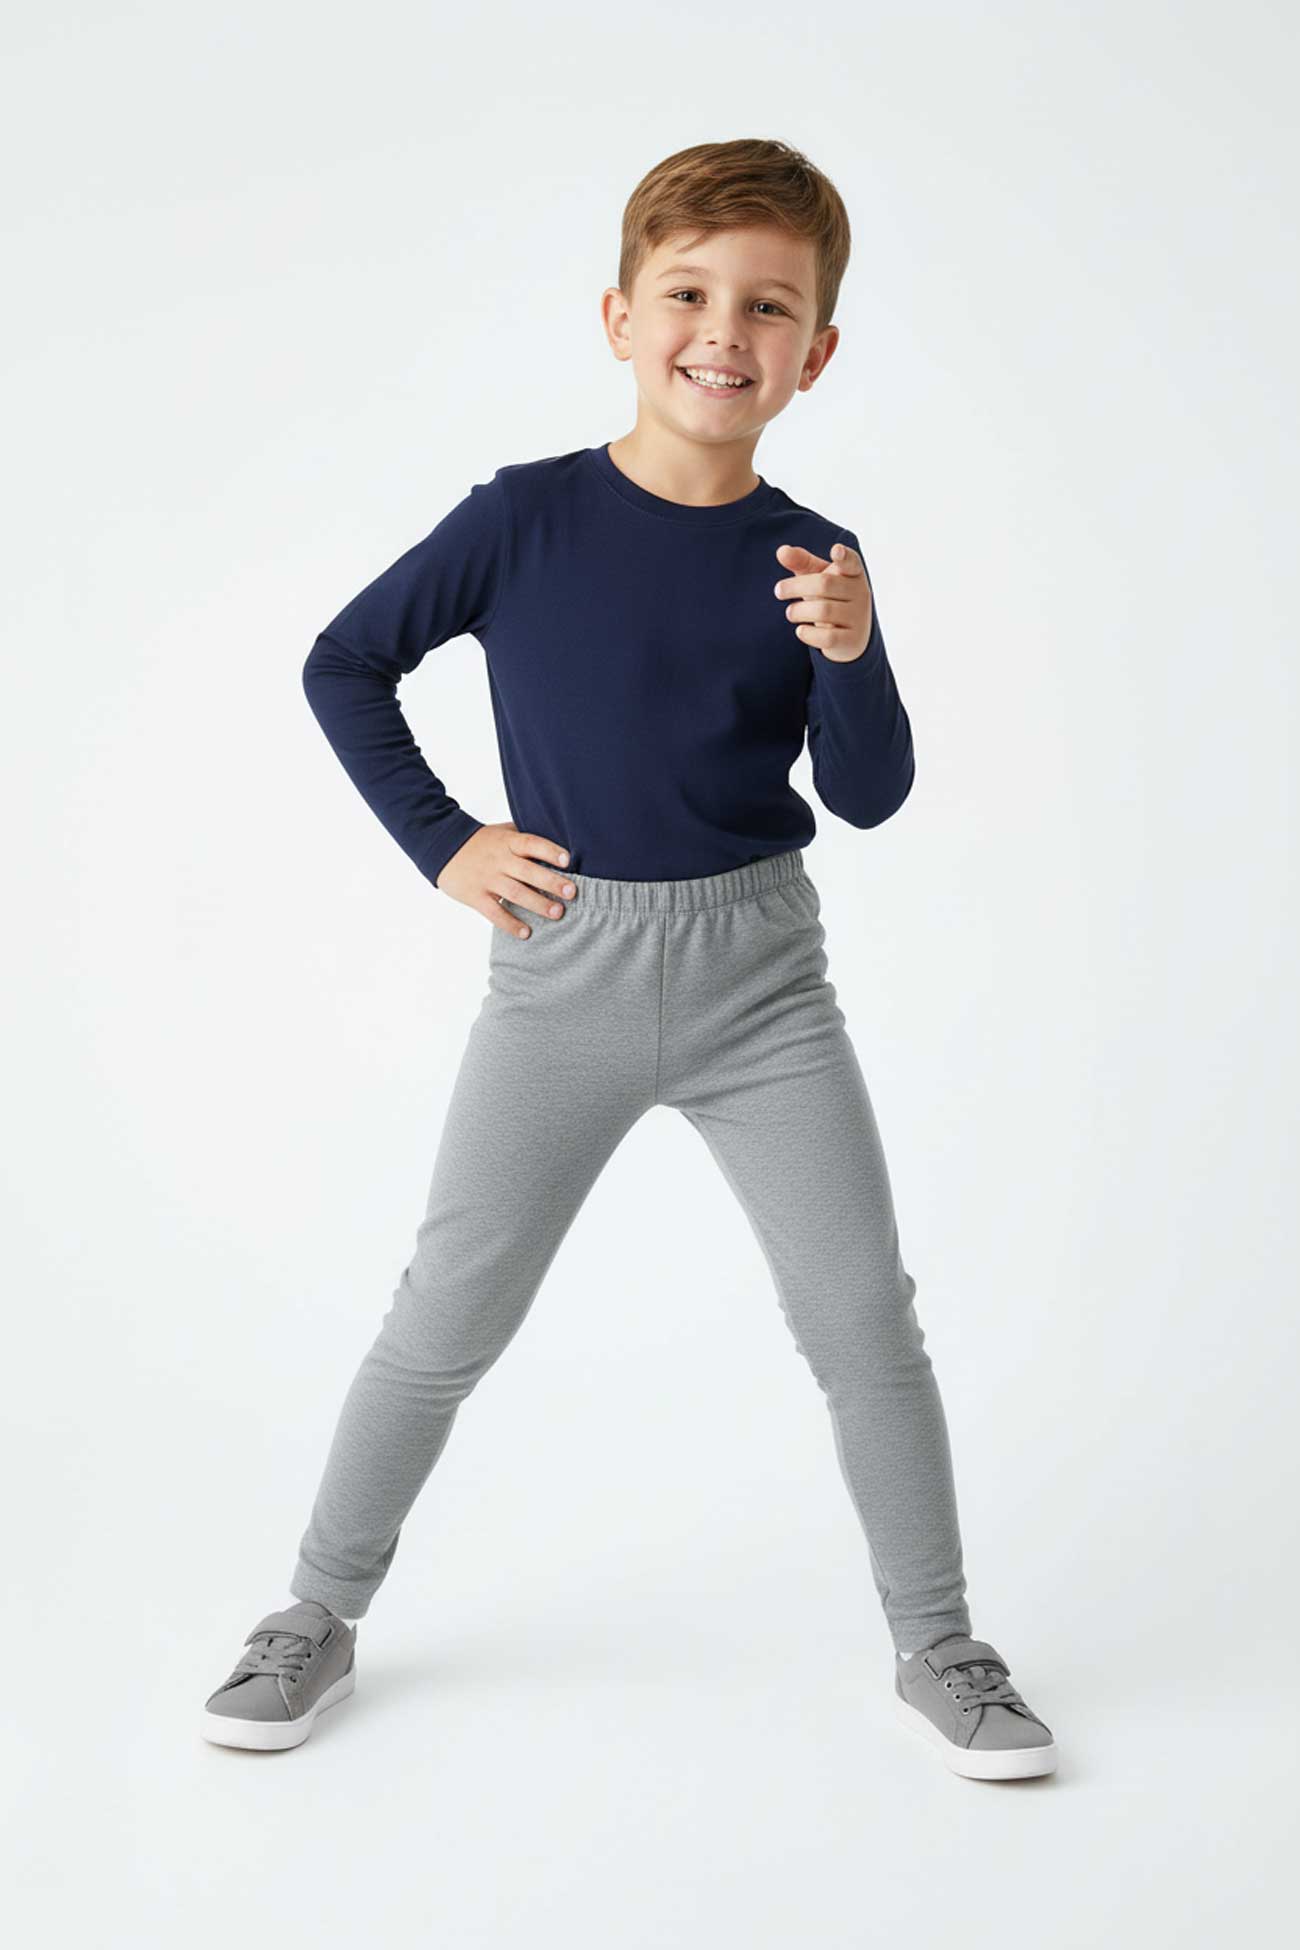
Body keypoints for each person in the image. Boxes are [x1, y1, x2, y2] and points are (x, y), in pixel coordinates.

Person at [201, 137, 1057, 1780]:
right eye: (688, 294)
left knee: (863, 1318)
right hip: (563, 975)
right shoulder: (523, 519)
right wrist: (446, 841)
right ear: (620, 317)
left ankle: (940, 1641)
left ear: (815, 354)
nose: (723, 332)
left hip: (763, 987)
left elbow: (868, 795)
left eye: (768, 308)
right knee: (445, 1311)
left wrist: (857, 651)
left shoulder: (813, 556)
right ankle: (315, 1610)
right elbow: (345, 661)